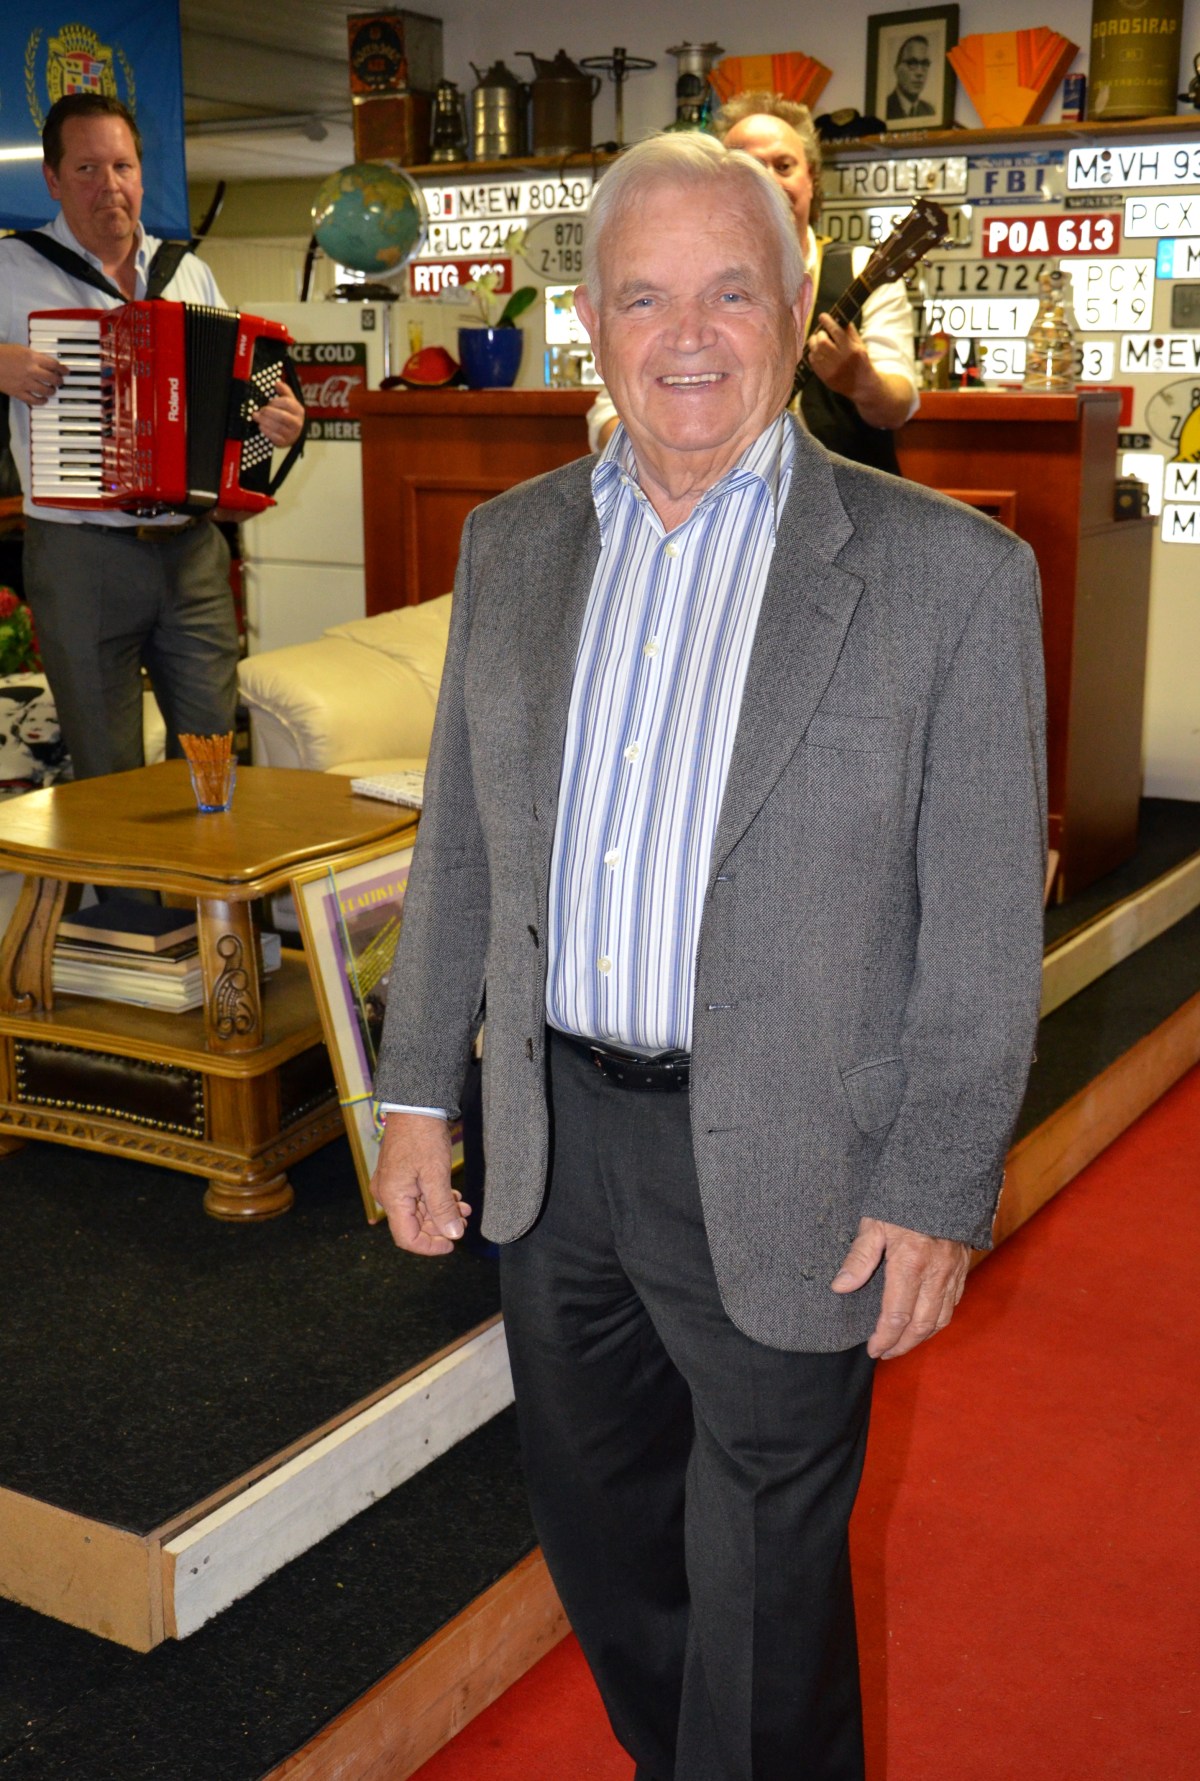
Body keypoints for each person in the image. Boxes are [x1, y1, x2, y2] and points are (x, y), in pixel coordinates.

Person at [371, 132, 1046, 1780]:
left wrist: (937, 1178)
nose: (686, 337)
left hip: (797, 1157)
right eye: (644, 297)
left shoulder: (951, 576)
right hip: (554, 1153)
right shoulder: (512, 545)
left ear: (797, 309)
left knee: (765, 1595)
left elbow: (980, 919)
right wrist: (415, 1092)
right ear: (591, 321)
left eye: (731, 292)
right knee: (604, 1547)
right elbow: (461, 843)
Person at [0, 93, 305, 780]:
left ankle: (207, 857)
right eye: (86, 168)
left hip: (192, 551)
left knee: (212, 762)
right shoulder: (12, 269)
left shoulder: (187, 272)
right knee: (106, 772)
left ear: (141, 175)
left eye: (122, 167)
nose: (108, 186)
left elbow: (237, 398)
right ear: (51, 179)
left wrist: (278, 419)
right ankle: (119, 862)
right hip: (81, 555)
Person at [587, 94, 918, 475]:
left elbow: (897, 407)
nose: (769, 181)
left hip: (844, 502)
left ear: (811, 179)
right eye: (750, 166)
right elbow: (608, 417)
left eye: (784, 165)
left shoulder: (863, 270)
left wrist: (861, 382)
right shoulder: (672, 273)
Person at [886, 36, 936, 120]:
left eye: (925, 64)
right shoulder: (885, 108)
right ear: (897, 69)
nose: (919, 73)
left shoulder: (929, 111)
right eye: (912, 63)